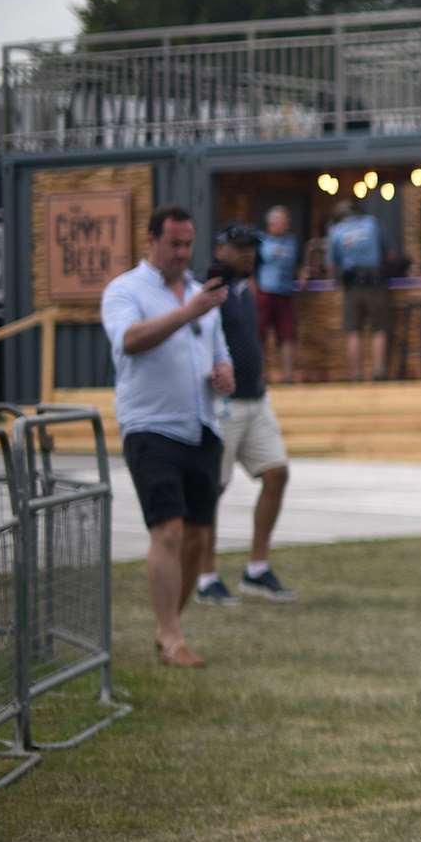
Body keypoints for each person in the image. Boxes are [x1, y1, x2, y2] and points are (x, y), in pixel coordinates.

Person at [100, 206, 231, 668]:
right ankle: (173, 637)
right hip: (151, 427)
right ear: (151, 241)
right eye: (173, 244)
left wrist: (223, 373)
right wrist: (187, 312)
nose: (181, 253)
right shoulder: (125, 291)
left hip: (202, 427)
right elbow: (130, 340)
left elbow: (219, 351)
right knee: (168, 529)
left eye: (187, 244)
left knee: (197, 536)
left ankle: (166, 626)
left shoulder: (200, 294)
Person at [195, 225, 297, 606]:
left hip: (256, 398)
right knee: (212, 490)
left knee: (276, 472)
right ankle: (206, 577)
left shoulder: (245, 290)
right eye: (240, 248)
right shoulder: (207, 289)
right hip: (223, 404)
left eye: (253, 248)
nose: (248, 255)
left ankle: (256, 569)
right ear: (220, 247)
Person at [325, 199, 389, 380]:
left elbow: (330, 265)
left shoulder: (336, 231)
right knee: (379, 329)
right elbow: (388, 253)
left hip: (351, 284)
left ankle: (356, 373)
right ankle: (378, 371)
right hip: (375, 282)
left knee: (353, 330)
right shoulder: (372, 224)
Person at [254, 204, 302, 385]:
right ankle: (262, 374)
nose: (285, 224)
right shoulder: (261, 241)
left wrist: (302, 275)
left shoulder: (292, 242)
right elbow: (253, 267)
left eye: (286, 221)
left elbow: (297, 265)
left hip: (285, 293)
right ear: (271, 223)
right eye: (281, 221)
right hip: (265, 292)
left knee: (287, 334)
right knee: (261, 335)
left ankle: (288, 375)